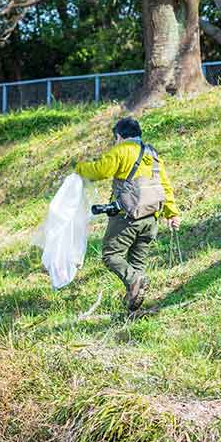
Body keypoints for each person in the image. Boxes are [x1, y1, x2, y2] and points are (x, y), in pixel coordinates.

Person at [76, 117, 180, 311]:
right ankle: (134, 306)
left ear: (119, 136)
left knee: (111, 254)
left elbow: (100, 170)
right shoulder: (152, 153)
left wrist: (80, 168)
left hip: (128, 216)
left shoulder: (122, 150)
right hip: (151, 218)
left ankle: (134, 281)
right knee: (137, 262)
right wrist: (171, 213)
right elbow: (164, 185)